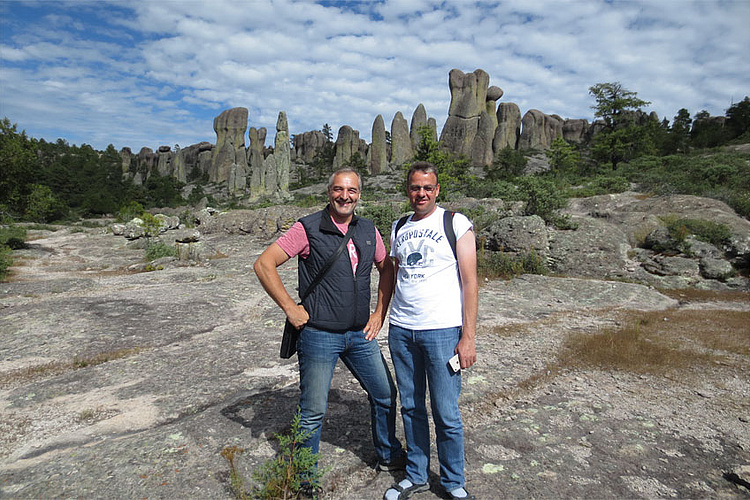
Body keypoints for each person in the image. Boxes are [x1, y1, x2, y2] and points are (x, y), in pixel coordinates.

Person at [253, 168, 404, 480]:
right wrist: (290, 308)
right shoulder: (308, 227)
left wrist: (379, 314)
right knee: (312, 413)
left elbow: (386, 268)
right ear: (329, 192)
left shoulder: (367, 229)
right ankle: (304, 479)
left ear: (359, 194)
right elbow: (264, 264)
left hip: (360, 334)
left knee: (386, 395)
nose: (344, 196)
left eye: (351, 191)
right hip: (319, 335)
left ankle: (389, 455)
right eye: (338, 189)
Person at [383, 161, 478, 500]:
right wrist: (382, 316)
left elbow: (470, 282)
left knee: (446, 411)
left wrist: (468, 337)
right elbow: (393, 276)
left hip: (442, 331)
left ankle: (453, 482)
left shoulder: (455, 223)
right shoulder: (398, 227)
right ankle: (416, 474)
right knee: (411, 406)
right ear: (407, 190)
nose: (420, 193)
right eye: (414, 187)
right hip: (402, 330)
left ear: (437, 190)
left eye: (427, 187)